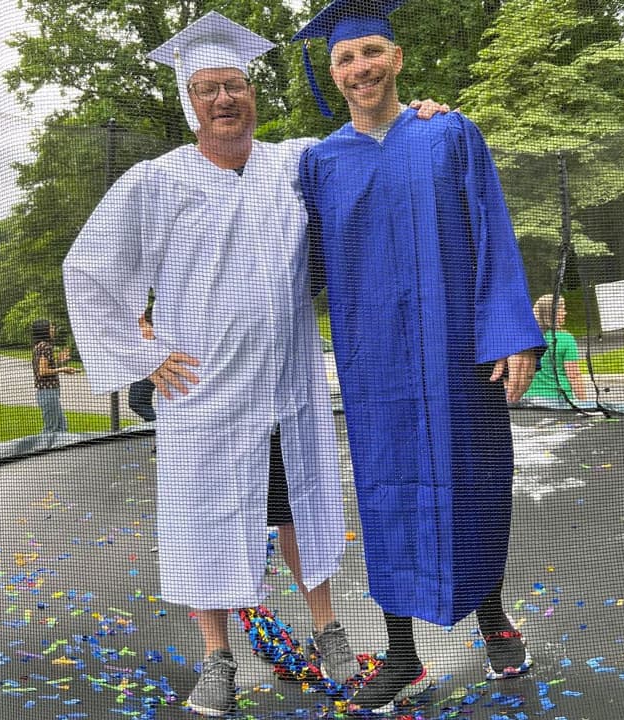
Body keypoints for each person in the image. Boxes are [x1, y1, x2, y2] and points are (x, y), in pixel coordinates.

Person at [63, 13, 449, 715]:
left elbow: (371, 141)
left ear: (252, 95)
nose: (223, 99)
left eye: (234, 85)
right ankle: (217, 660)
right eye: (207, 88)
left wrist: (420, 116)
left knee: (301, 505)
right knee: (200, 515)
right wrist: (143, 356)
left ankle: (329, 630)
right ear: (191, 104)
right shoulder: (155, 183)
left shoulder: (296, 163)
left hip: (286, 387)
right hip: (204, 395)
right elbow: (89, 270)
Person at [294, 0, 544, 710]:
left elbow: (491, 227)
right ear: (333, 73)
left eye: (370, 52)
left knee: (475, 479)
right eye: (344, 58)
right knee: (388, 494)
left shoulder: (450, 134)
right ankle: (402, 653)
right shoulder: (319, 163)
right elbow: (293, 263)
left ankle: (493, 619)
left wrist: (510, 331)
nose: (358, 68)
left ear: (396, 58)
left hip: (455, 351)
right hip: (375, 362)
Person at [522, 294, 585, 404]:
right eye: (562, 309)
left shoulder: (525, 338)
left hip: (528, 399)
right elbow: (574, 376)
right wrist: (585, 404)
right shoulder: (566, 339)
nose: (565, 313)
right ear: (553, 312)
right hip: (559, 400)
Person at [31, 319, 75, 434]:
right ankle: (41, 451)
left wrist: (60, 361)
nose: (53, 329)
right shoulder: (45, 347)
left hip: (48, 392)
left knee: (62, 427)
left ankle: (58, 451)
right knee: (51, 429)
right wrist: (63, 369)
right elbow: (43, 371)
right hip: (47, 393)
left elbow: (45, 368)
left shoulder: (39, 346)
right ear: (44, 330)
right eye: (51, 327)